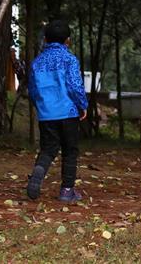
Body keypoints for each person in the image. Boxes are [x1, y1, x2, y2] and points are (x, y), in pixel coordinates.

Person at [26, 20, 88, 203]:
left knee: (48, 149)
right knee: (70, 151)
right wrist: (82, 105)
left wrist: (41, 107)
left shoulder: (37, 62)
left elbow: (33, 90)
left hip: (47, 114)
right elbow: (75, 86)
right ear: (67, 40)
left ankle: (39, 170)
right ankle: (67, 191)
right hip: (68, 112)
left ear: (45, 39)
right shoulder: (69, 59)